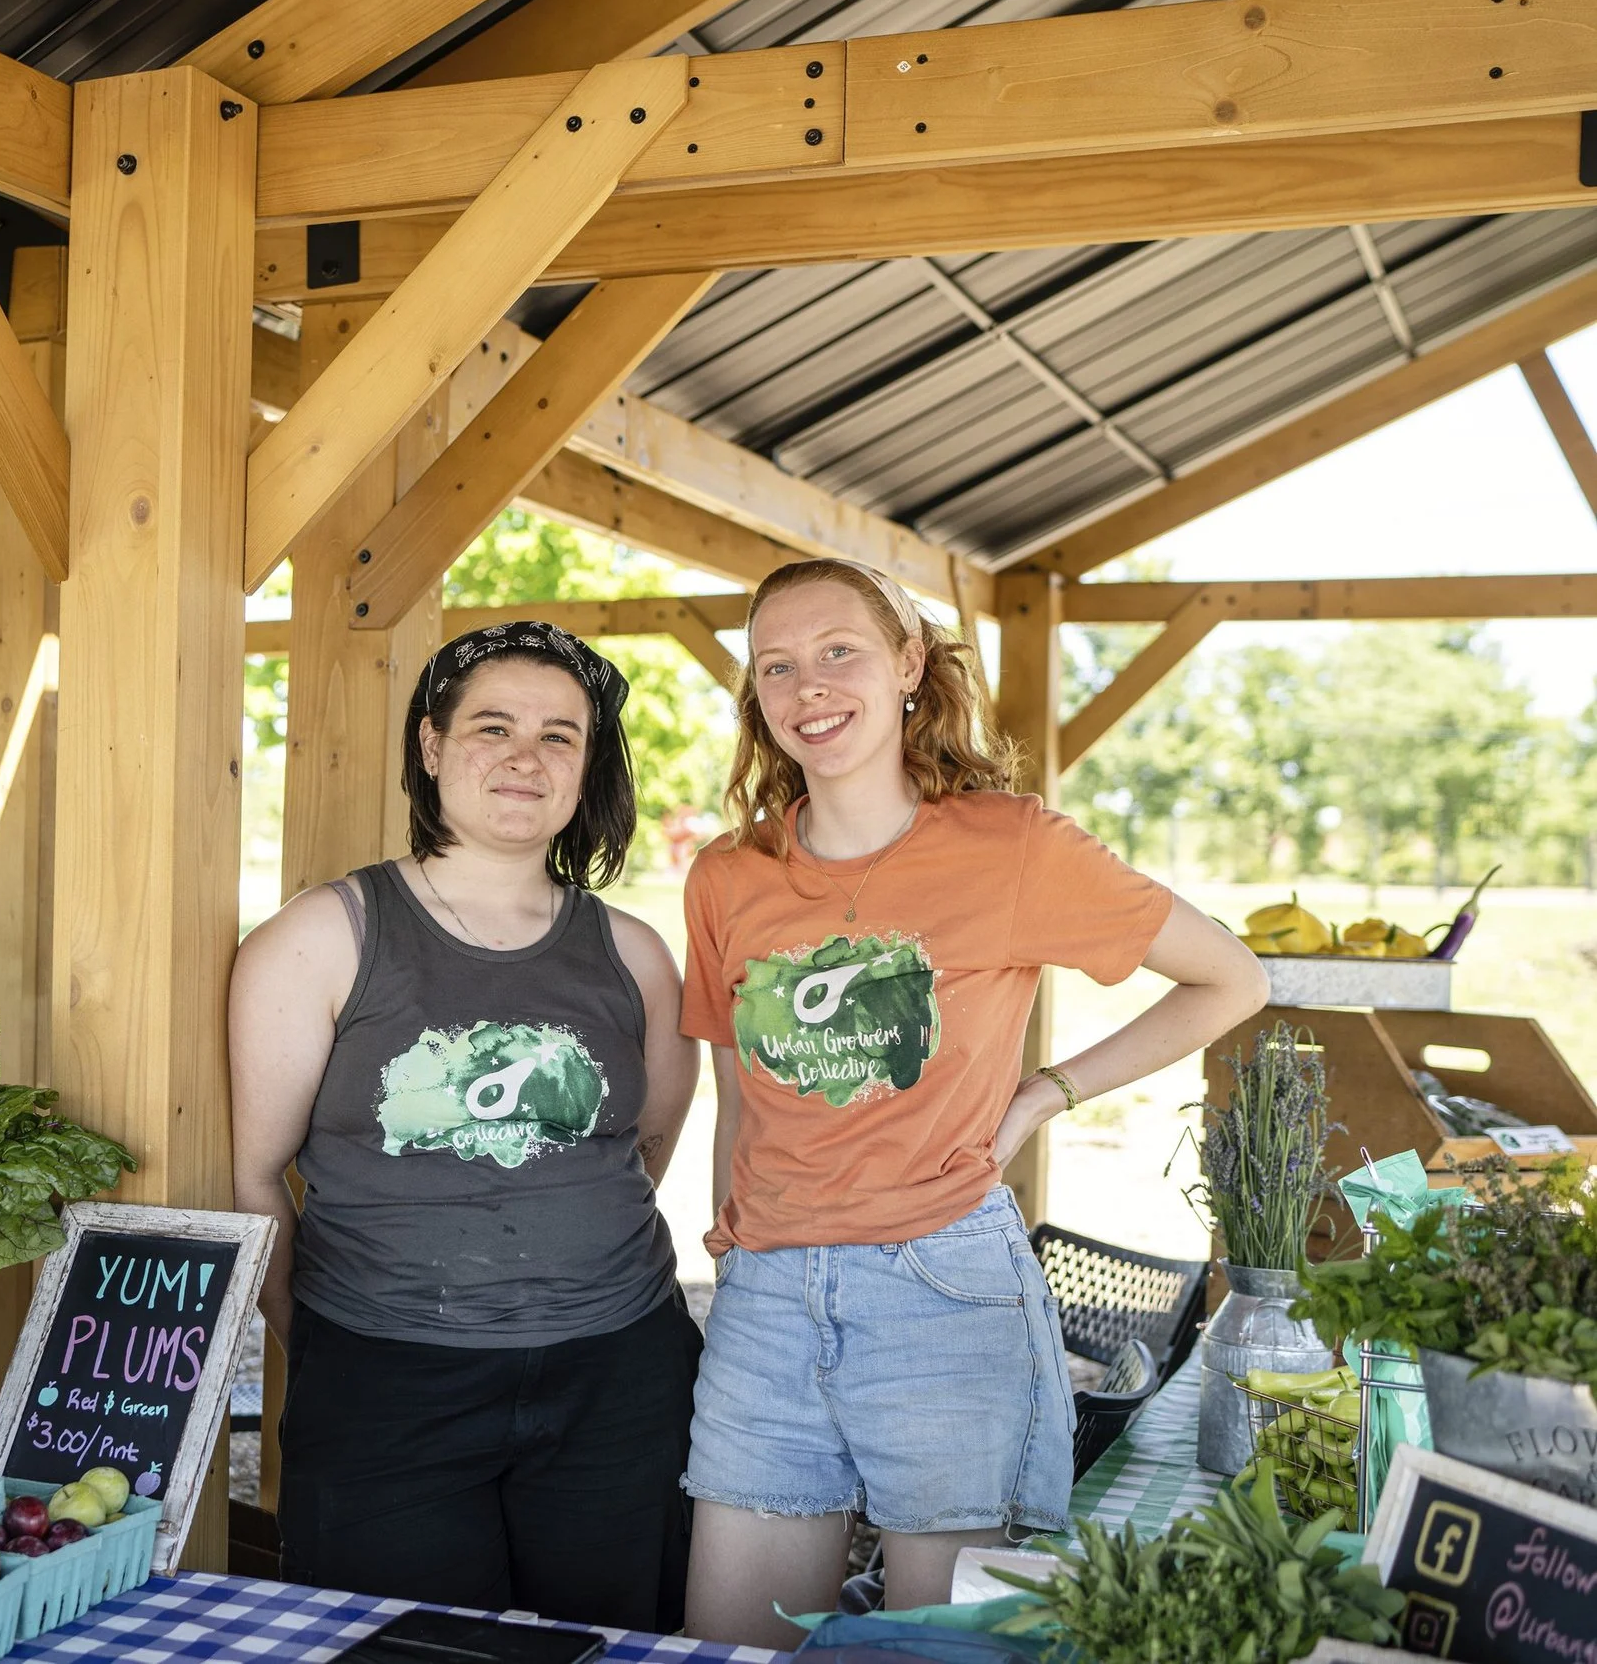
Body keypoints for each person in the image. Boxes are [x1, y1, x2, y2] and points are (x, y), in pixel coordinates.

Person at [678, 560, 1269, 1646]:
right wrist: (735, 1252)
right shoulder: (728, 874)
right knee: (734, 1644)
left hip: (942, 1291)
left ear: (908, 663)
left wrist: (1047, 1092)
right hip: (764, 1297)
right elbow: (735, 1089)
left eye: (838, 651)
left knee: (945, 1644)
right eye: (777, 665)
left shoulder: (1013, 846)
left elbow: (1230, 976)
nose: (808, 685)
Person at [229, 621, 703, 1631]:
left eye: (559, 735)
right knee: (400, 1648)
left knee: (611, 1643)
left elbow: (642, 1146)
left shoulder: (635, 953)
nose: (524, 756)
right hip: (385, 1384)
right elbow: (256, 1175)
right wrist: (322, 1342)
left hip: (618, 1377)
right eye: (492, 725)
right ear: (433, 746)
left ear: (587, 768)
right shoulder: (322, 937)